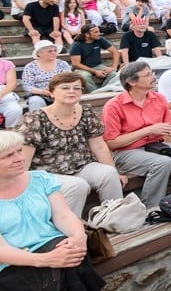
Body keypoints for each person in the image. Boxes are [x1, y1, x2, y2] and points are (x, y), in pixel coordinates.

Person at [0, 130, 106, 291]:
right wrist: (46, 259)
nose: (19, 158)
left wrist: (78, 237)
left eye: (19, 151)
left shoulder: (40, 179)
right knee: (69, 266)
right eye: (8, 155)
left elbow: (64, 215)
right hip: (14, 263)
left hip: (53, 247)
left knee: (70, 255)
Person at [16, 72, 125, 217]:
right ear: (52, 92)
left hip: (81, 165)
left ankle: (116, 218)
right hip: (48, 172)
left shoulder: (86, 111)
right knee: (78, 185)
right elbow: (24, 157)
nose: (72, 91)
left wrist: (114, 170)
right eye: (65, 88)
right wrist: (20, 188)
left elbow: (98, 146)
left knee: (109, 173)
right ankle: (71, 231)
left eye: (77, 88)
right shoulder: (35, 118)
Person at [102, 62, 171, 209]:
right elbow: (111, 143)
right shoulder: (114, 106)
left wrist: (170, 129)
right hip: (125, 152)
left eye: (152, 73)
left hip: (156, 145)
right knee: (163, 163)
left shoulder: (159, 98)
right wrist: (149, 130)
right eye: (147, 75)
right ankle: (151, 208)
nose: (153, 77)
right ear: (131, 82)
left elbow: (164, 128)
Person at [69, 24, 120, 93]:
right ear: (87, 34)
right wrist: (95, 71)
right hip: (81, 68)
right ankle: (94, 93)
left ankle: (102, 91)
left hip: (97, 66)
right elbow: (76, 64)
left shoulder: (100, 39)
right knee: (84, 77)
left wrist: (114, 67)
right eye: (96, 32)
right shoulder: (76, 45)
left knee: (114, 74)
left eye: (98, 31)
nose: (99, 33)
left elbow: (115, 52)